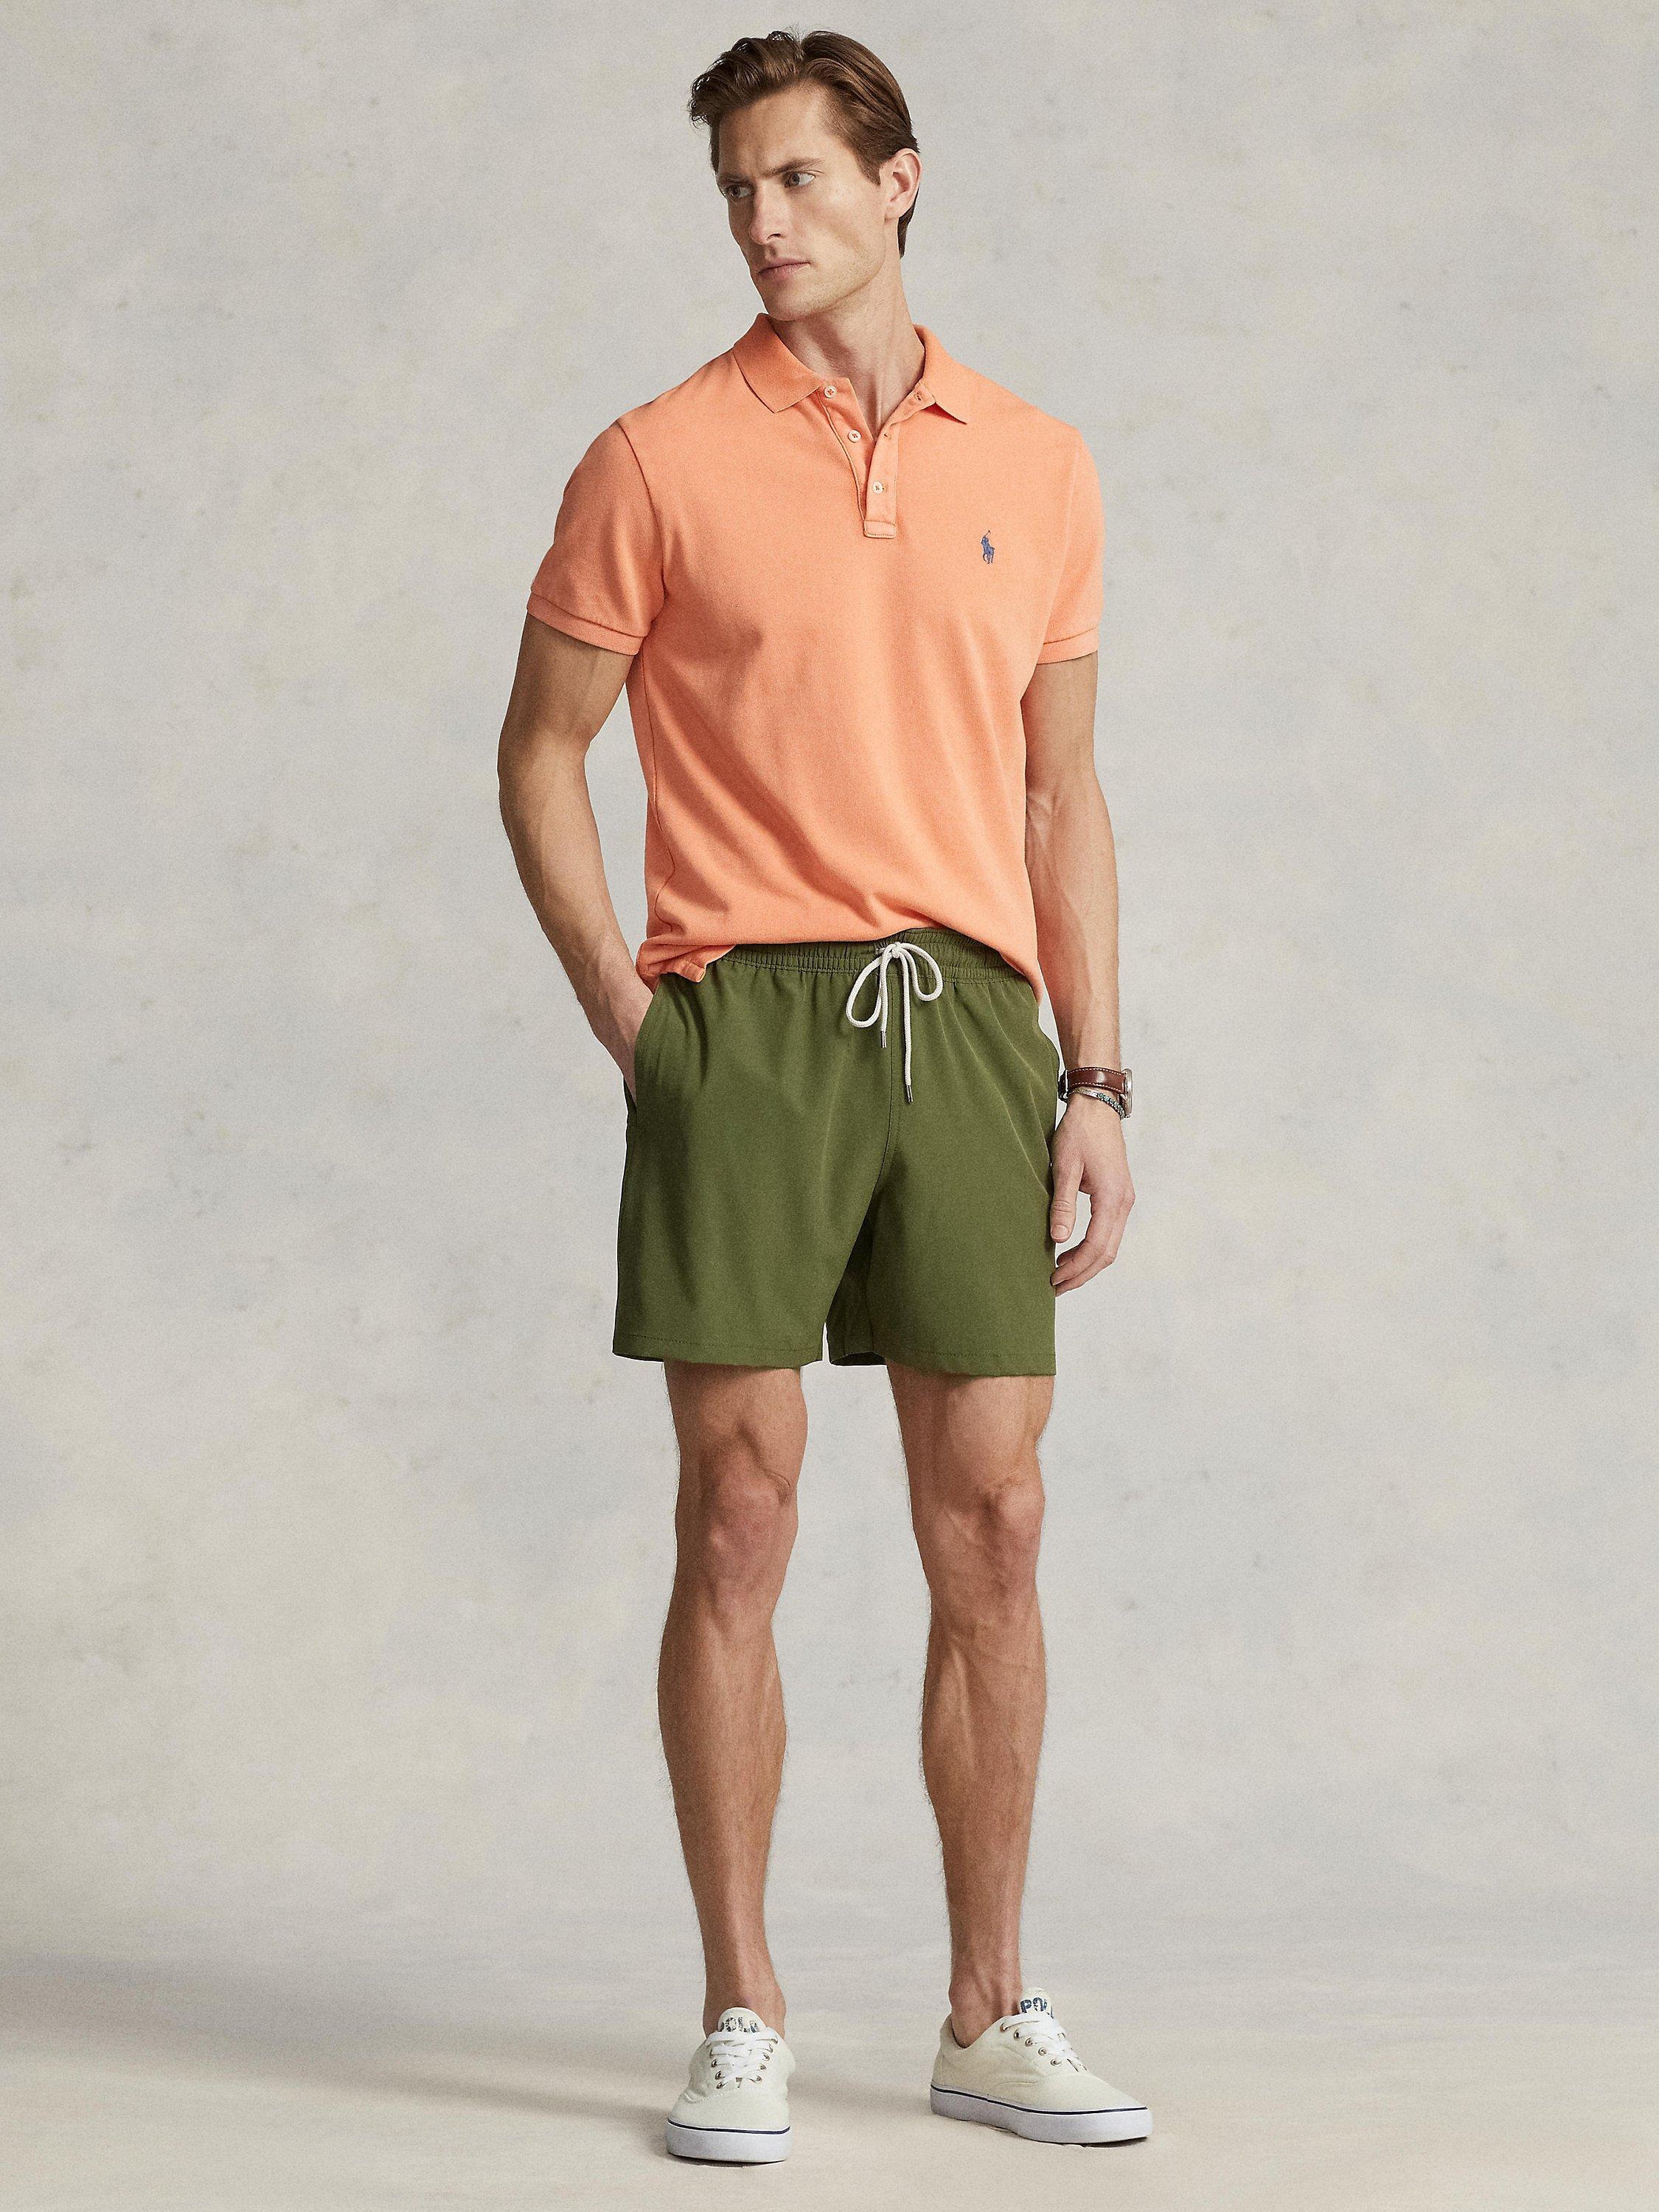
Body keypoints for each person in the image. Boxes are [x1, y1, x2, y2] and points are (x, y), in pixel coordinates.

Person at [496, 27, 1147, 2161]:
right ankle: (740, 2009)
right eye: (735, 191)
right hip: (748, 1024)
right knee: (742, 1511)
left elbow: (1062, 798)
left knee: (996, 1519)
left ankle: (988, 2009)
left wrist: (1095, 1075)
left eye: (795, 180)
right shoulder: (655, 457)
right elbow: (539, 751)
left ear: (899, 181)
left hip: (966, 1017)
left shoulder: (1037, 461)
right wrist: (635, 1016)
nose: (761, 222)